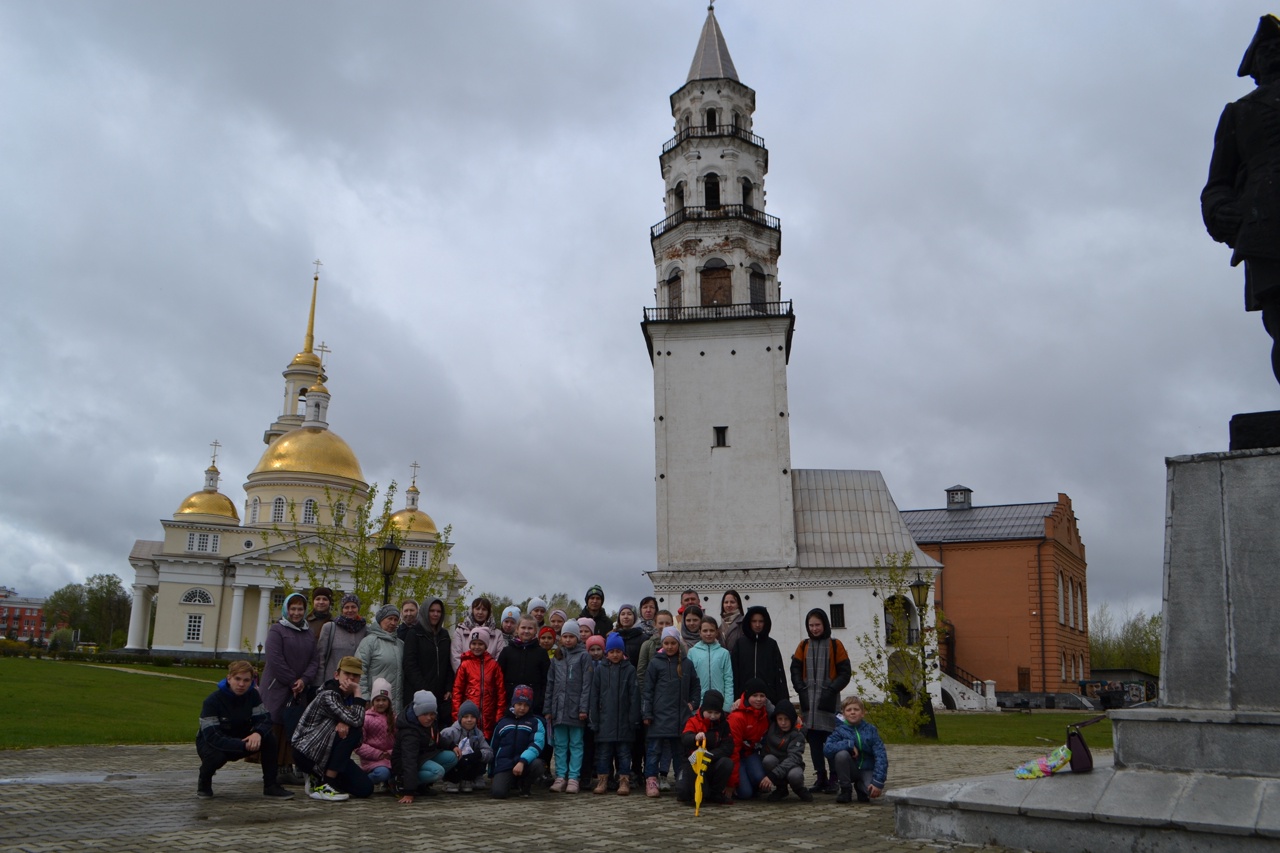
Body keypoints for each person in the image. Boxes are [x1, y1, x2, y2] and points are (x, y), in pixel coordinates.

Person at [1202, 14, 1280, 385]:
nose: (1275, 52)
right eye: (1266, 49)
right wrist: (1221, 211)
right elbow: (1217, 183)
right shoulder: (1239, 112)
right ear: (1256, 65)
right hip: (1268, 231)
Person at [195, 660, 292, 799]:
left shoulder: (253, 695)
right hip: (212, 744)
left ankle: (271, 786)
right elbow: (213, 737)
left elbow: (265, 718)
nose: (241, 684)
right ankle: (204, 782)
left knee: (270, 738)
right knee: (216, 757)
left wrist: (257, 733)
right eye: (237, 679)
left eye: (246, 680)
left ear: (251, 681)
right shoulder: (212, 701)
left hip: (242, 738)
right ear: (229, 678)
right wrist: (242, 745)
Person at [291, 655, 372, 801]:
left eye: (355, 676)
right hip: (309, 751)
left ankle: (318, 779)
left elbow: (359, 741)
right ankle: (327, 783)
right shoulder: (328, 694)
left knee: (365, 788)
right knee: (354, 729)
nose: (351, 679)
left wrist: (345, 721)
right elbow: (357, 721)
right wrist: (358, 694)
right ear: (336, 675)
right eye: (347, 674)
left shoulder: (349, 699)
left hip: (331, 751)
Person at [790, 608, 851, 794]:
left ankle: (834, 777)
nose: (815, 628)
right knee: (814, 742)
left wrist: (832, 689)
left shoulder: (835, 645)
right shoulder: (803, 646)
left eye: (817, 625)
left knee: (830, 740)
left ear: (824, 624)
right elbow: (795, 669)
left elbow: (845, 672)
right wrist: (800, 687)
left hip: (828, 701)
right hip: (809, 702)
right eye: (811, 625)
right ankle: (820, 777)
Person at [261, 592, 319, 786]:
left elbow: (314, 659)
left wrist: (303, 680)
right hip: (277, 687)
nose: (296, 613)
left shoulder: (308, 632)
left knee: (292, 726)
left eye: (300, 609)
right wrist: (292, 680)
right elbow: (275, 659)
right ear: (286, 609)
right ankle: (273, 768)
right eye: (292, 609)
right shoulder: (277, 630)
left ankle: (287, 767)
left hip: (298, 689)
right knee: (275, 725)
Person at [642, 626, 700, 797]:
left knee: (679, 753)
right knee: (654, 751)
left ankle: (682, 779)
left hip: (680, 718)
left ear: (678, 643)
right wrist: (647, 713)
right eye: (666, 643)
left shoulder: (687, 664)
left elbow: (696, 686)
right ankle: (651, 780)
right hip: (658, 717)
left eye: (673, 643)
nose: (669, 646)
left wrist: (692, 703)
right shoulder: (655, 663)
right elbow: (648, 690)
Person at [589, 633, 640, 795]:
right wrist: (594, 720)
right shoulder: (600, 670)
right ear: (606, 653)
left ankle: (624, 781)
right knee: (603, 755)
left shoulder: (630, 670)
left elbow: (634, 696)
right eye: (612, 651)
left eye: (618, 651)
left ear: (623, 652)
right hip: (605, 722)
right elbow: (594, 696)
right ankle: (603, 780)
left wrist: (634, 719)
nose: (615, 655)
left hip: (624, 723)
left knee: (624, 755)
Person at [546, 619, 593, 793]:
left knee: (576, 744)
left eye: (571, 636)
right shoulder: (557, 657)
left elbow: (587, 685)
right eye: (564, 636)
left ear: (577, 638)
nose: (567, 640)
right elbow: (550, 684)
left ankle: (574, 777)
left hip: (575, 710)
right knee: (560, 744)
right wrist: (548, 709)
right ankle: (560, 776)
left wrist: (583, 708)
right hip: (558, 709)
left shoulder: (584, 656)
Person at [394, 690, 457, 803]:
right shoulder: (409, 732)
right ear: (417, 713)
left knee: (453, 757)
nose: (429, 718)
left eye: (432, 714)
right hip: (407, 763)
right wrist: (409, 792)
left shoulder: (429, 722)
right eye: (425, 714)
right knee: (438, 771)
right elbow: (409, 761)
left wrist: (452, 745)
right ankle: (404, 783)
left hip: (424, 756)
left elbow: (437, 737)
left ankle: (422, 785)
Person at [823, 695, 888, 804]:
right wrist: (848, 744)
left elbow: (881, 756)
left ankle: (860, 787)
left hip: (867, 768)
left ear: (862, 713)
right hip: (850, 769)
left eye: (856, 709)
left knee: (871, 792)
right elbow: (827, 749)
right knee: (841, 755)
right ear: (843, 714)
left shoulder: (871, 730)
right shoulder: (839, 731)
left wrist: (878, 782)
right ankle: (845, 790)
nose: (852, 712)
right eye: (849, 710)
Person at [402, 596, 454, 727]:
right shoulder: (414, 634)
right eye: (432, 611)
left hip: (441, 695)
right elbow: (409, 665)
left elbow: (448, 663)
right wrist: (425, 689)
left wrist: (449, 686)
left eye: (438, 611)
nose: (435, 614)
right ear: (425, 612)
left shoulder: (444, 635)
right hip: (419, 694)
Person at [489, 684, 547, 799]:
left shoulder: (536, 722)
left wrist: (522, 761)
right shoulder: (502, 722)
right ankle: (511, 782)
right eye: (519, 704)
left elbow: (536, 745)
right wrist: (492, 773)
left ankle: (525, 785)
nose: (522, 708)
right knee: (498, 793)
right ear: (513, 703)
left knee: (538, 765)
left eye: (526, 705)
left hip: (525, 764)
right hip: (505, 764)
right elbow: (494, 748)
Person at [677, 689, 733, 806]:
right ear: (703, 709)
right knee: (683, 793)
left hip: (711, 763)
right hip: (693, 764)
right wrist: (695, 737)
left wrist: (709, 755)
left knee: (726, 763)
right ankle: (699, 793)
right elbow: (685, 738)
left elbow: (727, 747)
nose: (712, 716)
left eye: (716, 713)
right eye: (709, 712)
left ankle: (715, 793)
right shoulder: (693, 721)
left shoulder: (724, 725)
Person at [729, 605, 789, 706]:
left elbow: (779, 674)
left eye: (761, 621)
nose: (757, 625)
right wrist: (736, 696)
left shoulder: (771, 645)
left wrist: (782, 700)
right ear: (749, 622)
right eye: (754, 621)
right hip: (744, 697)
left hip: (767, 698)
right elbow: (734, 672)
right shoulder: (740, 644)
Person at [453, 626, 505, 739]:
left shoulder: (493, 665)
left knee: (487, 746)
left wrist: (499, 715)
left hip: (489, 716)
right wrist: (457, 716)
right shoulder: (465, 665)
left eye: (480, 644)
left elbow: (500, 692)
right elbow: (457, 692)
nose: (477, 647)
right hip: (469, 717)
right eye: (474, 643)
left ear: (486, 645)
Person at [728, 678, 771, 800]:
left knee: (760, 780)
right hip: (737, 756)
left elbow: (784, 713)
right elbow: (733, 751)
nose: (758, 699)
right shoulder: (737, 717)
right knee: (745, 793)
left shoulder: (765, 714)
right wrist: (732, 783)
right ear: (747, 696)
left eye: (762, 696)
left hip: (751, 754)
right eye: (755, 695)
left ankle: (752, 781)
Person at [498, 615, 549, 716]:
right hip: (509, 701)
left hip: (533, 704)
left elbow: (546, 680)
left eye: (530, 628)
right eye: (523, 627)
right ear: (517, 629)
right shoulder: (507, 651)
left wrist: (540, 700)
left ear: (535, 631)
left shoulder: (541, 653)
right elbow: (499, 677)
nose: (526, 631)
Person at [357, 604, 404, 713]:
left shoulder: (401, 644)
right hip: (375, 702)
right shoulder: (369, 642)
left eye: (396, 619)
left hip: (395, 705)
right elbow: (360, 670)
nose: (393, 623)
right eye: (389, 619)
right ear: (380, 620)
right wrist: (364, 697)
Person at [314, 593, 367, 689]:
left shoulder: (365, 630)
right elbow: (320, 658)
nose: (350, 610)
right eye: (346, 607)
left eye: (353, 607)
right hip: (331, 683)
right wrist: (319, 685)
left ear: (358, 608)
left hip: (355, 684)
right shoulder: (329, 627)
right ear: (342, 609)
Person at [439, 700, 492, 793]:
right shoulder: (449, 732)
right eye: (466, 717)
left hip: (469, 766)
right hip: (454, 765)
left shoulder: (478, 734)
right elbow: (439, 746)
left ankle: (467, 780)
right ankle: (450, 781)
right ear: (460, 718)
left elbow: (489, 752)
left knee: (476, 758)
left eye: (473, 717)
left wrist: (479, 754)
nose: (469, 720)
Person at [761, 700, 810, 801]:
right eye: (780, 719)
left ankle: (799, 788)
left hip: (792, 764)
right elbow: (766, 702)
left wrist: (773, 775)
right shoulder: (772, 724)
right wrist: (741, 699)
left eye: (787, 719)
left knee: (795, 775)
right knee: (768, 760)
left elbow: (793, 758)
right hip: (775, 761)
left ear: (793, 719)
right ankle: (781, 789)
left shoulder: (798, 734)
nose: (783, 723)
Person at [356, 677, 396, 791]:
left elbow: (399, 740)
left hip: (390, 757)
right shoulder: (366, 718)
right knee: (382, 773)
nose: (381, 703)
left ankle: (390, 783)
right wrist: (378, 754)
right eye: (378, 700)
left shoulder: (394, 718)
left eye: (384, 700)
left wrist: (391, 753)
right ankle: (363, 781)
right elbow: (358, 744)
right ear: (373, 701)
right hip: (372, 759)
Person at [689, 615, 733, 707]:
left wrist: (727, 705)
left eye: (712, 630)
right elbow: (689, 680)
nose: (708, 633)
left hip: (719, 702)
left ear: (717, 632)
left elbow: (728, 680)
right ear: (699, 632)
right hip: (699, 703)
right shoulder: (692, 652)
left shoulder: (724, 653)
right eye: (705, 631)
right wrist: (692, 702)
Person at [452, 596, 498, 669]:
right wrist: (468, 675)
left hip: (488, 678)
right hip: (465, 678)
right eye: (477, 608)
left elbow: (499, 659)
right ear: (472, 610)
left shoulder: (497, 634)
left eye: (484, 609)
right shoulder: (460, 631)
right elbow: (456, 657)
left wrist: (486, 675)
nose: (480, 612)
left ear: (488, 612)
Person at [636, 610, 675, 692]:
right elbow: (641, 673)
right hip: (653, 694)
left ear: (672, 624)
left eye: (667, 623)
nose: (664, 626)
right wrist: (646, 695)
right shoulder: (647, 645)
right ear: (655, 624)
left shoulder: (679, 645)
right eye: (661, 623)